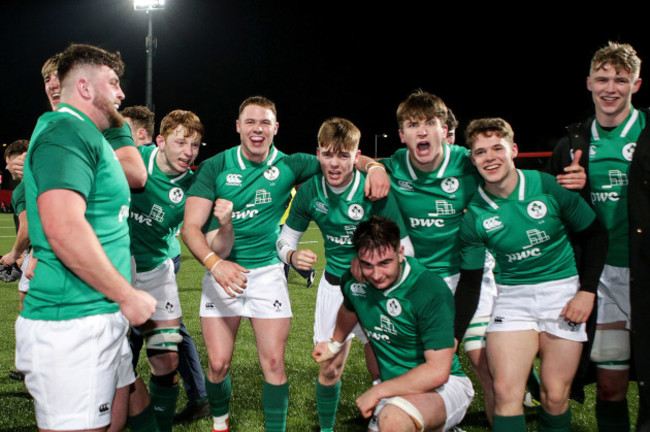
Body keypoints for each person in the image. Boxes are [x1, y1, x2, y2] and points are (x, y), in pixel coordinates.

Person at [181, 95, 390, 432]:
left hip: (266, 274)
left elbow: (340, 155)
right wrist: (214, 264)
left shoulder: (292, 164)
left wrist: (375, 166)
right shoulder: (215, 166)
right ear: (238, 126)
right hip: (222, 271)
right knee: (218, 364)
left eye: (265, 122)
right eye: (250, 122)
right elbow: (190, 228)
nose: (257, 129)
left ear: (275, 128)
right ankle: (221, 423)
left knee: (275, 362)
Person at [15, 42, 156, 432]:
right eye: (113, 83)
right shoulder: (64, 131)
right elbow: (63, 227)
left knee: (116, 411)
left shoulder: (89, 134)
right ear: (85, 87)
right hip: (72, 319)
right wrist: (128, 295)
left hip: (98, 310)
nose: (121, 94)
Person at [461, 117, 608, 431]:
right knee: (505, 392)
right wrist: (450, 337)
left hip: (563, 295)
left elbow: (596, 234)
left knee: (555, 396)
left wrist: (587, 291)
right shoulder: (475, 214)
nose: (490, 158)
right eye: (481, 152)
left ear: (513, 149)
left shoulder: (547, 186)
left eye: (497, 148)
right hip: (513, 299)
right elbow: (471, 283)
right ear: (473, 159)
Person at [275, 117, 413, 432]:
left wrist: (384, 273)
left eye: (343, 155)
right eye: (327, 154)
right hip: (335, 289)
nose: (334, 163)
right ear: (318, 153)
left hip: (378, 290)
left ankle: (384, 415)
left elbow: (404, 246)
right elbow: (285, 240)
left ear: (357, 155)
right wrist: (293, 256)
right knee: (329, 368)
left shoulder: (374, 188)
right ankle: (326, 428)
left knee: (384, 361)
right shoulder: (310, 190)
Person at [376, 89, 498, 424]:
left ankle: (503, 406)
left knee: (482, 358)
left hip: (468, 273)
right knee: (417, 362)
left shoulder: (465, 161)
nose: (422, 131)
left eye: (430, 122)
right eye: (413, 124)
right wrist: (371, 166)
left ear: (445, 129)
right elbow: (355, 160)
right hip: (421, 280)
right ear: (402, 135)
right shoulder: (395, 165)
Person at [548, 41, 649, 432]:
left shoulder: (648, 134)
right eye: (603, 78)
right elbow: (560, 215)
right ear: (588, 83)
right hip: (601, 278)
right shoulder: (571, 146)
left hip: (644, 272)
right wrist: (574, 193)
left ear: (636, 84)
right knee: (610, 386)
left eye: (621, 80)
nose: (611, 88)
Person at [313, 215, 474, 432]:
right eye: (368, 265)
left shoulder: (428, 289)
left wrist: (379, 391)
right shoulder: (354, 281)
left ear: (400, 253)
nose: (377, 275)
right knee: (393, 419)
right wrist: (334, 344)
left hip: (443, 387)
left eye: (384, 263)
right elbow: (349, 308)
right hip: (395, 388)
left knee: (394, 421)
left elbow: (438, 371)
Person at [121, 104, 211, 424]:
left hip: (156, 272)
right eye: (180, 142)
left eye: (195, 144)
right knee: (110, 358)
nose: (188, 152)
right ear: (159, 141)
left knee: (166, 357)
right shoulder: (133, 156)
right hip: (115, 269)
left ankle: (160, 424)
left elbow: (208, 237)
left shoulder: (195, 188)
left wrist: (223, 229)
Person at [41, 52, 147, 189]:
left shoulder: (106, 122)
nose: (52, 84)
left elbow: (136, 175)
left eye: (59, 76)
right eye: (47, 79)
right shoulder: (50, 129)